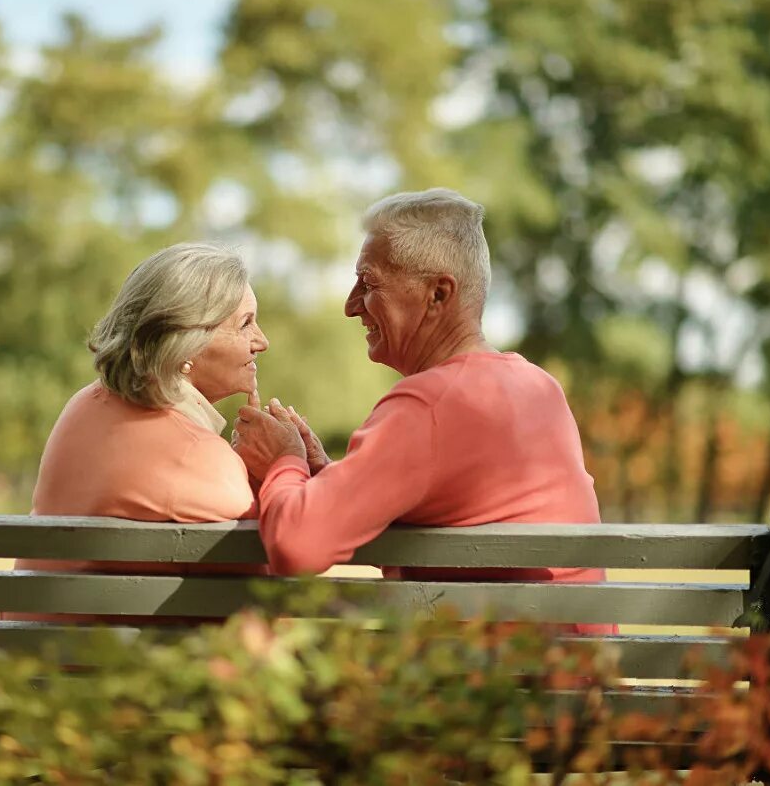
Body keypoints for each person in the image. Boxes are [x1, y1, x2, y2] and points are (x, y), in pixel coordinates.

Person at [232, 188, 611, 634]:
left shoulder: (428, 405)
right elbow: (452, 498)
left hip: (498, 688)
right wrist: (325, 475)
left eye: (369, 284)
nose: (351, 305)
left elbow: (297, 547)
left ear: (437, 294)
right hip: (574, 676)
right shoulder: (538, 387)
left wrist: (283, 462)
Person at [9, 242, 269, 622]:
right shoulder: (199, 457)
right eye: (245, 323)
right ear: (185, 343)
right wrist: (283, 465)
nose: (262, 341)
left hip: (34, 655)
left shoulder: (84, 404)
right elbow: (274, 577)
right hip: (111, 672)